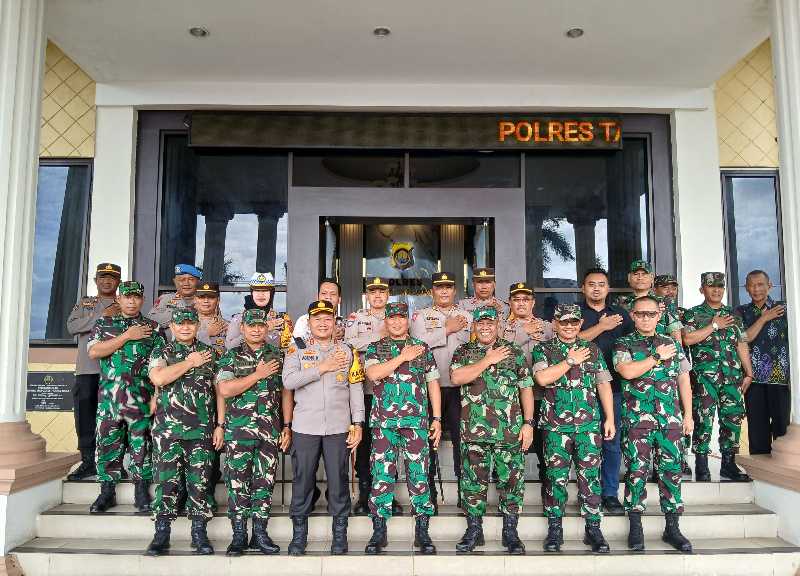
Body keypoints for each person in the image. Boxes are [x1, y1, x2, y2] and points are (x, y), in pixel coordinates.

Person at [283, 300, 366, 555]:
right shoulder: (296, 349)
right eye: (317, 319)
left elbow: (356, 389)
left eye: (327, 318)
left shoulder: (348, 351)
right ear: (309, 323)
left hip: (339, 428)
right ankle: (299, 537)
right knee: (303, 481)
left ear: (334, 322)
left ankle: (339, 536)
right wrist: (323, 367)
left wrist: (358, 423)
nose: (322, 323)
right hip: (305, 427)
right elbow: (288, 381)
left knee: (339, 482)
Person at [450, 306, 535, 555]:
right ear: (474, 326)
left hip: (509, 432)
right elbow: (457, 378)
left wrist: (528, 424)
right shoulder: (463, 351)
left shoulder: (514, 352)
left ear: (498, 325)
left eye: (490, 323)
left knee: (511, 483)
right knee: (472, 484)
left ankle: (511, 533)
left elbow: (526, 389)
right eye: (481, 324)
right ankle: (474, 532)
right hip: (474, 433)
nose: (485, 327)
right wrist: (487, 359)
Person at [613, 295, 694, 553]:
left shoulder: (672, 343)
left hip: (670, 420)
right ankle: (636, 527)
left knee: (671, 473)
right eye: (641, 314)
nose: (646, 318)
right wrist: (656, 357)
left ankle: (672, 528)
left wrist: (688, 415)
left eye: (651, 314)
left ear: (659, 315)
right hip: (638, 422)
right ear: (633, 316)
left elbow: (684, 380)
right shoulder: (623, 343)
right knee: (636, 472)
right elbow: (626, 371)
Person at [532, 304, 615, 554]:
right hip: (556, 426)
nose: (569, 326)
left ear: (580, 324)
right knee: (555, 478)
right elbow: (542, 379)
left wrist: (609, 418)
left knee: (590, 477)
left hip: (588, 425)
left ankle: (593, 528)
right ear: (555, 323)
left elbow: (603, 385)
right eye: (564, 322)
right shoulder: (543, 349)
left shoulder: (592, 349)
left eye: (574, 322)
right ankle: (555, 528)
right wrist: (569, 361)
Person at [363, 302, 442, 555]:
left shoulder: (422, 348)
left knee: (419, 476)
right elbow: (373, 373)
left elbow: (433, 384)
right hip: (383, 423)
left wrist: (437, 418)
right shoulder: (376, 348)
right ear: (386, 321)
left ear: (407, 320)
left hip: (416, 423)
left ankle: (422, 530)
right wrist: (402, 357)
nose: (396, 322)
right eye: (392, 318)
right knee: (381, 476)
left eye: (401, 318)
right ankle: (378, 531)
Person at [215, 308, 293, 556]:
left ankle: (260, 533)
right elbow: (225, 390)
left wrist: (286, 426)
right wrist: (257, 375)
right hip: (239, 432)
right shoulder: (231, 356)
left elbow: (286, 394)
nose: (257, 330)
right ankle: (239, 535)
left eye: (261, 326)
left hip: (269, 432)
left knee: (264, 484)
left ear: (266, 329)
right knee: (237, 484)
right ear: (243, 328)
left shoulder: (277, 357)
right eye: (252, 326)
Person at [144, 309, 222, 556]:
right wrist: (189, 362)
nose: (185, 327)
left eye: (190, 323)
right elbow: (158, 378)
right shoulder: (162, 352)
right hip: (168, 431)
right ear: (172, 327)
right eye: (180, 323)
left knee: (199, 484)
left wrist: (220, 424)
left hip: (201, 431)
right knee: (167, 484)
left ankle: (199, 534)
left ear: (198, 325)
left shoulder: (211, 354)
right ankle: (161, 534)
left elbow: (220, 390)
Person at [86, 281, 162, 514]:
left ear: (142, 300)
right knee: (108, 444)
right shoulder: (104, 324)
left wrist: (156, 398)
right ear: (118, 299)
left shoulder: (153, 328)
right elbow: (94, 352)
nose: (131, 301)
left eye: (136, 297)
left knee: (142, 445)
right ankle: (106, 492)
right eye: (127, 297)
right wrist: (127, 336)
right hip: (109, 400)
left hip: (141, 398)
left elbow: (160, 364)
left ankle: (141, 490)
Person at [682, 272, 754, 482]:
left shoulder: (734, 316)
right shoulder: (693, 315)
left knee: (732, 419)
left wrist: (748, 371)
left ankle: (729, 465)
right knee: (703, 419)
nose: (716, 290)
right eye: (711, 286)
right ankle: (702, 466)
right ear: (702, 289)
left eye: (720, 287)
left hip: (732, 377)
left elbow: (741, 343)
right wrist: (713, 325)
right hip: (705, 379)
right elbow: (687, 339)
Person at [410, 272, 472, 509]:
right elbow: (416, 345)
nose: (444, 291)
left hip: (461, 388)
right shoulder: (421, 316)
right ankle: (430, 494)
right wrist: (446, 329)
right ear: (432, 291)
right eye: (439, 287)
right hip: (429, 388)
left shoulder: (467, 316)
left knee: (462, 441)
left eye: (448, 287)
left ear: (455, 290)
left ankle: (466, 494)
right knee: (428, 442)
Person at [345, 277, 404, 515]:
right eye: (373, 292)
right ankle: (364, 494)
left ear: (388, 294)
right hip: (366, 391)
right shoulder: (356, 318)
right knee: (367, 442)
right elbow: (349, 344)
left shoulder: (396, 319)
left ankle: (388, 494)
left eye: (382, 292)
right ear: (366, 296)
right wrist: (380, 336)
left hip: (392, 391)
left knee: (390, 443)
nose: (378, 296)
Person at [577, 268, 633, 514]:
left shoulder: (620, 315)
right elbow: (572, 341)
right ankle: (586, 492)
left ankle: (610, 493)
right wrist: (601, 327)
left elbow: (634, 343)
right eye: (591, 284)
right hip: (579, 389)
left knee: (611, 442)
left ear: (608, 288)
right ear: (583, 288)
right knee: (583, 444)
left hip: (616, 387)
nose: (596, 288)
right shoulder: (575, 313)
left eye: (601, 284)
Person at [66, 262, 121, 481]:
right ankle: (88, 460)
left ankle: (114, 461)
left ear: (118, 281)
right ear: (96, 280)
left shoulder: (125, 303)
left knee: (115, 417)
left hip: (115, 370)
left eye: (112, 278)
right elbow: (72, 326)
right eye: (103, 277)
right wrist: (102, 316)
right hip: (88, 370)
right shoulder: (85, 303)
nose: (107, 281)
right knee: (85, 415)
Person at [501, 281, 552, 494]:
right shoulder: (499, 327)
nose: (521, 303)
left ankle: (547, 486)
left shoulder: (548, 326)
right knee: (511, 445)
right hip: (510, 396)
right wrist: (524, 333)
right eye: (516, 299)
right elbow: (499, 353)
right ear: (510, 302)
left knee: (544, 444)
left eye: (526, 299)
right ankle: (510, 488)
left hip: (542, 394)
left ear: (533, 302)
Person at [735, 270, 790, 454]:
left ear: (770, 286)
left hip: (782, 379)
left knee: (783, 430)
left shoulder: (784, 309)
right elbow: (743, 338)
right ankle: (759, 475)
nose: (756, 289)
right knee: (757, 429)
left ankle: (782, 474)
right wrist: (764, 317)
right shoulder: (741, 311)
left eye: (760, 284)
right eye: (752, 285)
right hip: (754, 380)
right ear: (746, 288)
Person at [654, 274, 693, 476]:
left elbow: (682, 340)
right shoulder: (648, 310)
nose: (670, 291)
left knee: (678, 415)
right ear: (655, 289)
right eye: (664, 287)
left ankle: (681, 458)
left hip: (676, 368)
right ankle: (654, 462)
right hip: (652, 371)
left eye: (673, 287)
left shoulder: (682, 313)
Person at [613, 260, 683, 343]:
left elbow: (675, 332)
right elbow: (615, 331)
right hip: (627, 351)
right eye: (636, 274)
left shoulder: (665, 302)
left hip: (660, 351)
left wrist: (679, 354)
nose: (640, 278)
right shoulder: (620, 302)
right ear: (629, 278)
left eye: (644, 274)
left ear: (652, 278)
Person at [226, 272, 289, 350]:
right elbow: (229, 347)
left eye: (265, 291)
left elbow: (287, 350)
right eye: (257, 291)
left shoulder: (280, 319)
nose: (261, 295)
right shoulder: (239, 318)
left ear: (271, 293)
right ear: (252, 293)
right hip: (244, 362)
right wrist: (262, 329)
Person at [293, 278, 345, 343]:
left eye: (333, 294)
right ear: (317, 297)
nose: (328, 297)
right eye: (324, 293)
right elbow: (295, 346)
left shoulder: (344, 323)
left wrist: (344, 336)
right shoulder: (304, 320)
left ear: (339, 300)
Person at [194, 281, 229, 355]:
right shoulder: (185, 324)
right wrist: (207, 333)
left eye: (211, 297)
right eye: (201, 297)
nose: (206, 301)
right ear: (195, 299)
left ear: (218, 300)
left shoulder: (227, 325)